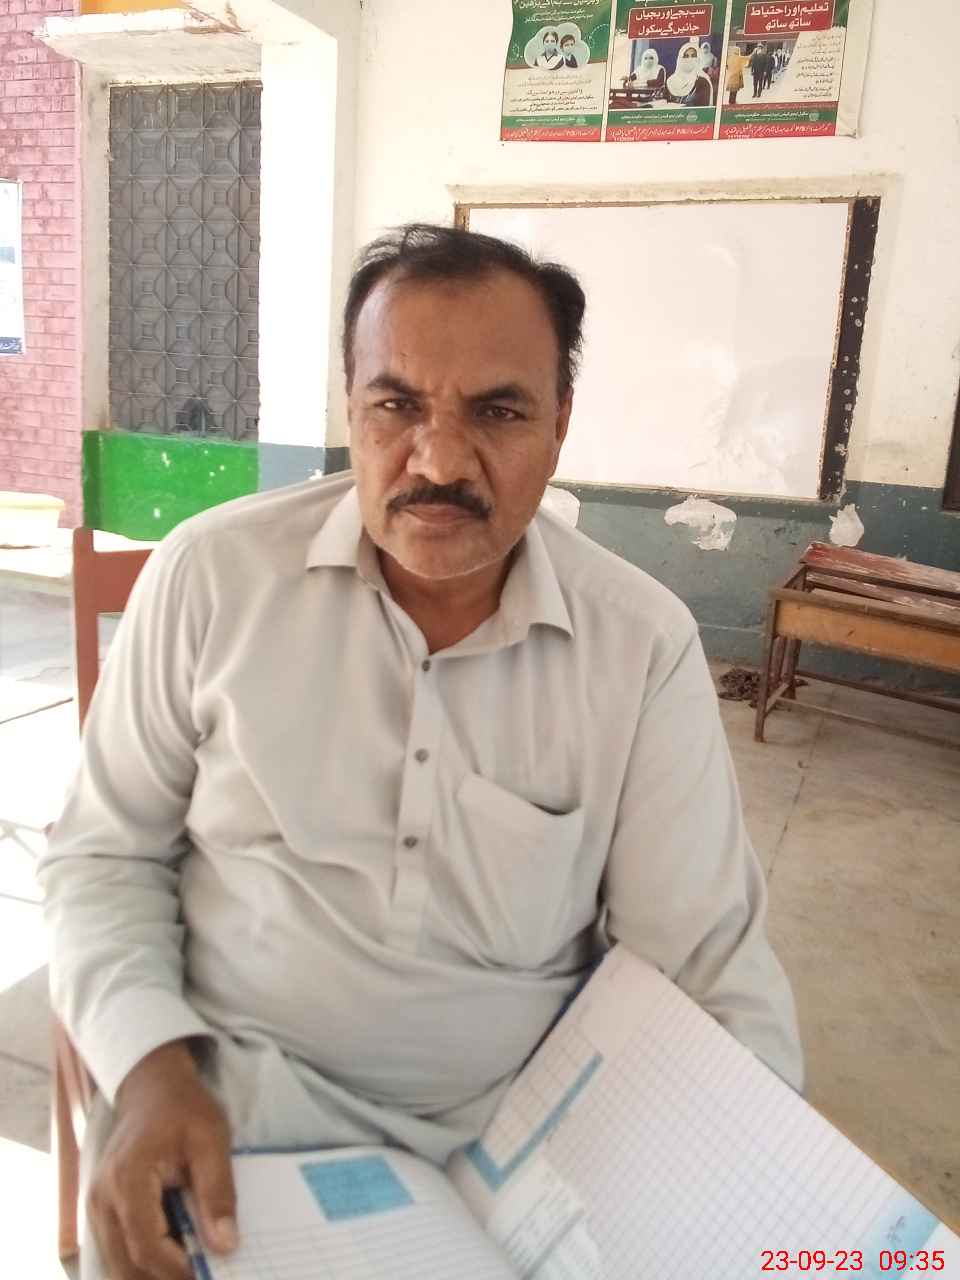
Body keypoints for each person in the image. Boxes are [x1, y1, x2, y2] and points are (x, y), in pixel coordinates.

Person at [41, 223, 803, 1280]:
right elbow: (101, 854)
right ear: (350, 409)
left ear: (560, 425)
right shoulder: (211, 577)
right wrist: (144, 1068)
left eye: (498, 411)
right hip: (223, 1115)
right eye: (396, 405)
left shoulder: (640, 646)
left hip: (516, 1162)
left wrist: (765, 1184)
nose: (439, 461)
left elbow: (706, 968)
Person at [664, 39, 714, 106]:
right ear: (680, 59)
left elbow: (703, 108)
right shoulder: (670, 81)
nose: (690, 59)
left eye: (693, 56)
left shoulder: (703, 82)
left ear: (698, 58)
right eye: (686, 56)